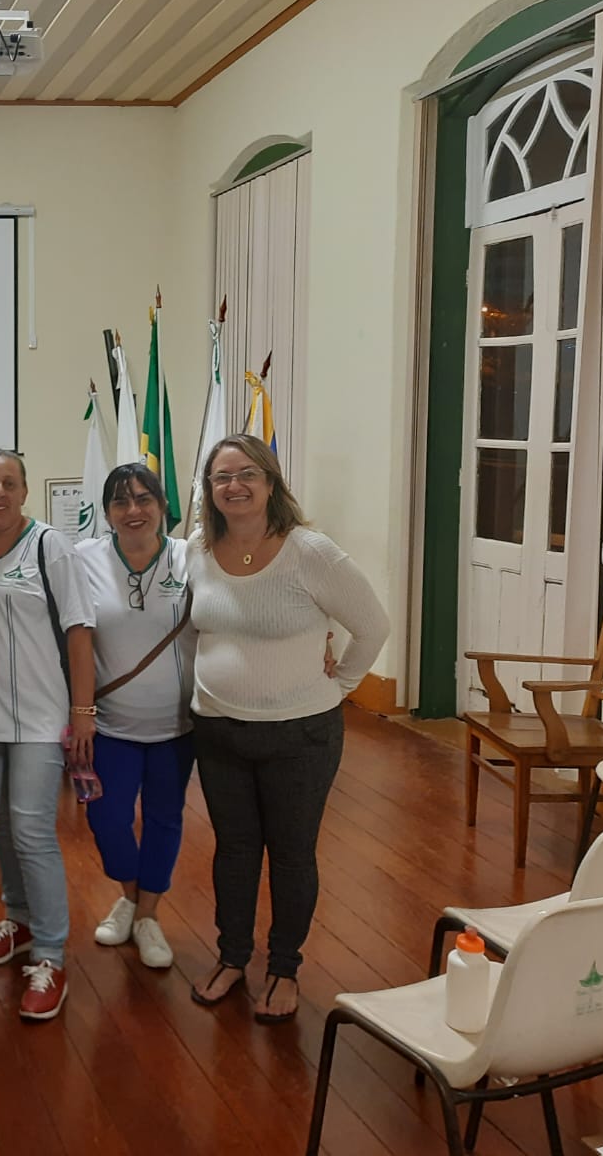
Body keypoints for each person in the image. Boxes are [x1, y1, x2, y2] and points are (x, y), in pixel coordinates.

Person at [185, 434, 389, 1024]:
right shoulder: (196, 546)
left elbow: (373, 626)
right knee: (235, 850)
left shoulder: (311, 552)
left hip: (300, 737)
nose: (235, 486)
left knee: (292, 855)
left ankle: (283, 968)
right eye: (222, 477)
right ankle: (231, 957)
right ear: (209, 490)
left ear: (271, 483)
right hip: (218, 731)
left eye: (248, 474)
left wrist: (341, 686)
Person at [0, 450, 96, 1021]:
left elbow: (79, 630)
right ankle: (17, 919)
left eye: (9, 483)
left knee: (33, 830)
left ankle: (49, 954)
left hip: (43, 721)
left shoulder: (50, 547)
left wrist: (84, 712)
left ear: (24, 491)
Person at [75, 463, 197, 973]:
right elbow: (73, 633)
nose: (134, 511)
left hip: (177, 726)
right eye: (121, 502)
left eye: (144, 499)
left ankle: (147, 915)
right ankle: (128, 894)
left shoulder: (193, 558)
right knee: (107, 819)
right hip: (110, 726)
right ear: (106, 512)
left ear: (163, 506)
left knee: (166, 819)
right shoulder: (84, 559)